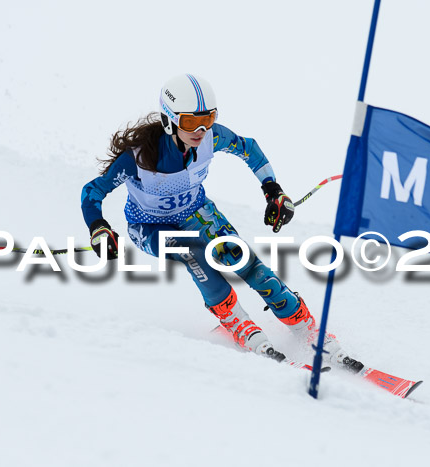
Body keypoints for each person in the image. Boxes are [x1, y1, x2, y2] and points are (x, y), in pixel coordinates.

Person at [80, 73, 361, 370]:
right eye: (190, 122)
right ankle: (235, 321)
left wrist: (273, 191)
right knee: (194, 253)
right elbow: (92, 193)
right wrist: (98, 227)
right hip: (148, 226)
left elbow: (249, 149)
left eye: (209, 118)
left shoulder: (212, 137)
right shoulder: (137, 158)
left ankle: (305, 326)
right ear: (169, 120)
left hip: (196, 211)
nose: (201, 129)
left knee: (241, 259)